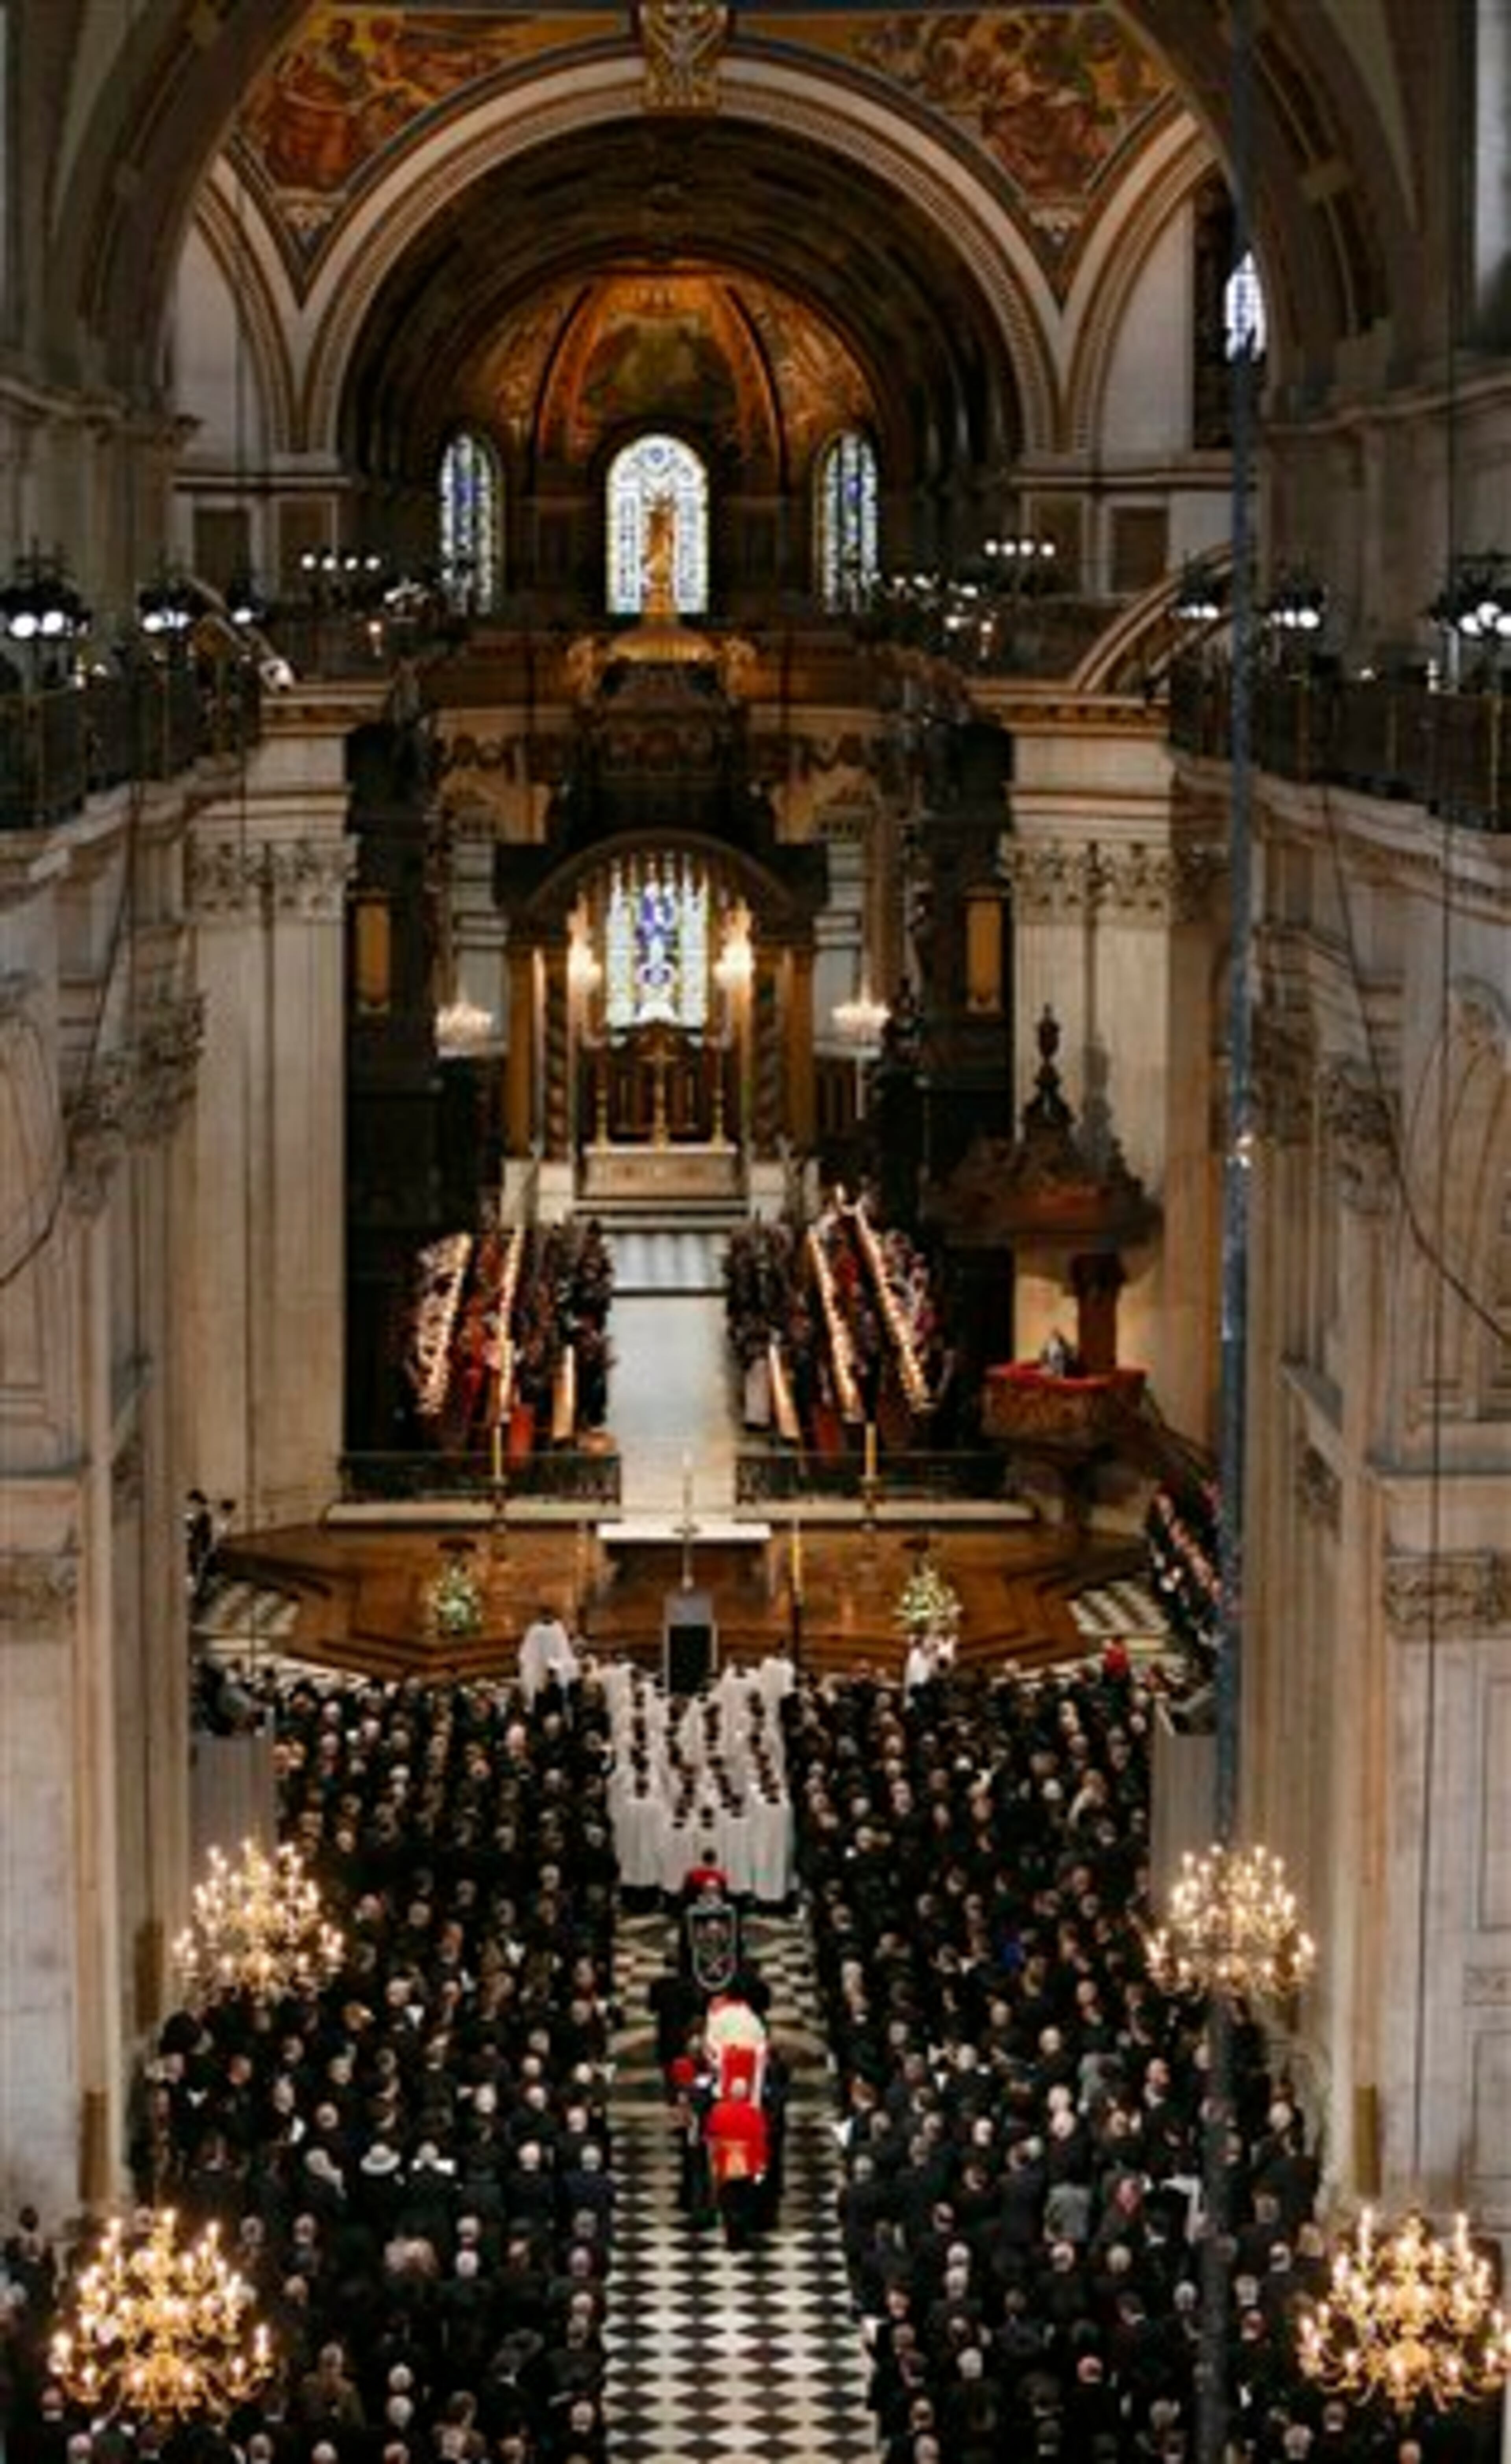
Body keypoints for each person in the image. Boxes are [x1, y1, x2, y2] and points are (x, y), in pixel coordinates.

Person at [519, 1602, 579, 1706]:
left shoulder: (558, 1629)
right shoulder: (535, 1631)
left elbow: (563, 1652)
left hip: (557, 1675)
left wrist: (555, 1668)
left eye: (549, 1615)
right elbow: (528, 1655)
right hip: (538, 1673)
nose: (548, 1617)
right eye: (545, 1615)